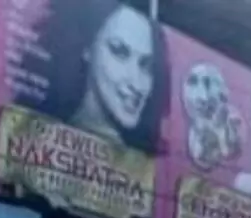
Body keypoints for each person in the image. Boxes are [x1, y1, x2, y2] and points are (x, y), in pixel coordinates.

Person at [33, 0, 170, 154]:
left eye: (146, 66)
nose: (136, 83)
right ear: (88, 47)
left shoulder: (148, 160)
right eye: (119, 52)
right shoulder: (34, 134)